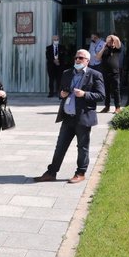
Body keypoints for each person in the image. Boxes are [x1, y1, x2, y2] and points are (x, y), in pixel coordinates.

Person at [34, 49, 105, 185]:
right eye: (76, 57)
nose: (77, 60)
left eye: (81, 58)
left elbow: (101, 96)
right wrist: (62, 94)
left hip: (83, 117)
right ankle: (51, 172)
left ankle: (80, 173)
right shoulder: (67, 73)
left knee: (82, 147)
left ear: (87, 61)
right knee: (60, 146)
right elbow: (60, 92)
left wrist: (84, 94)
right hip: (68, 117)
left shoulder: (95, 75)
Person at [96, 34, 122, 113]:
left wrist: (111, 36)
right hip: (105, 72)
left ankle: (118, 107)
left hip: (114, 72)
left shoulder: (116, 49)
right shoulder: (105, 49)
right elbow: (98, 57)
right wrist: (104, 47)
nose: (109, 43)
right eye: (108, 41)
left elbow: (117, 41)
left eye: (111, 41)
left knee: (116, 90)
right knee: (106, 90)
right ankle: (106, 107)